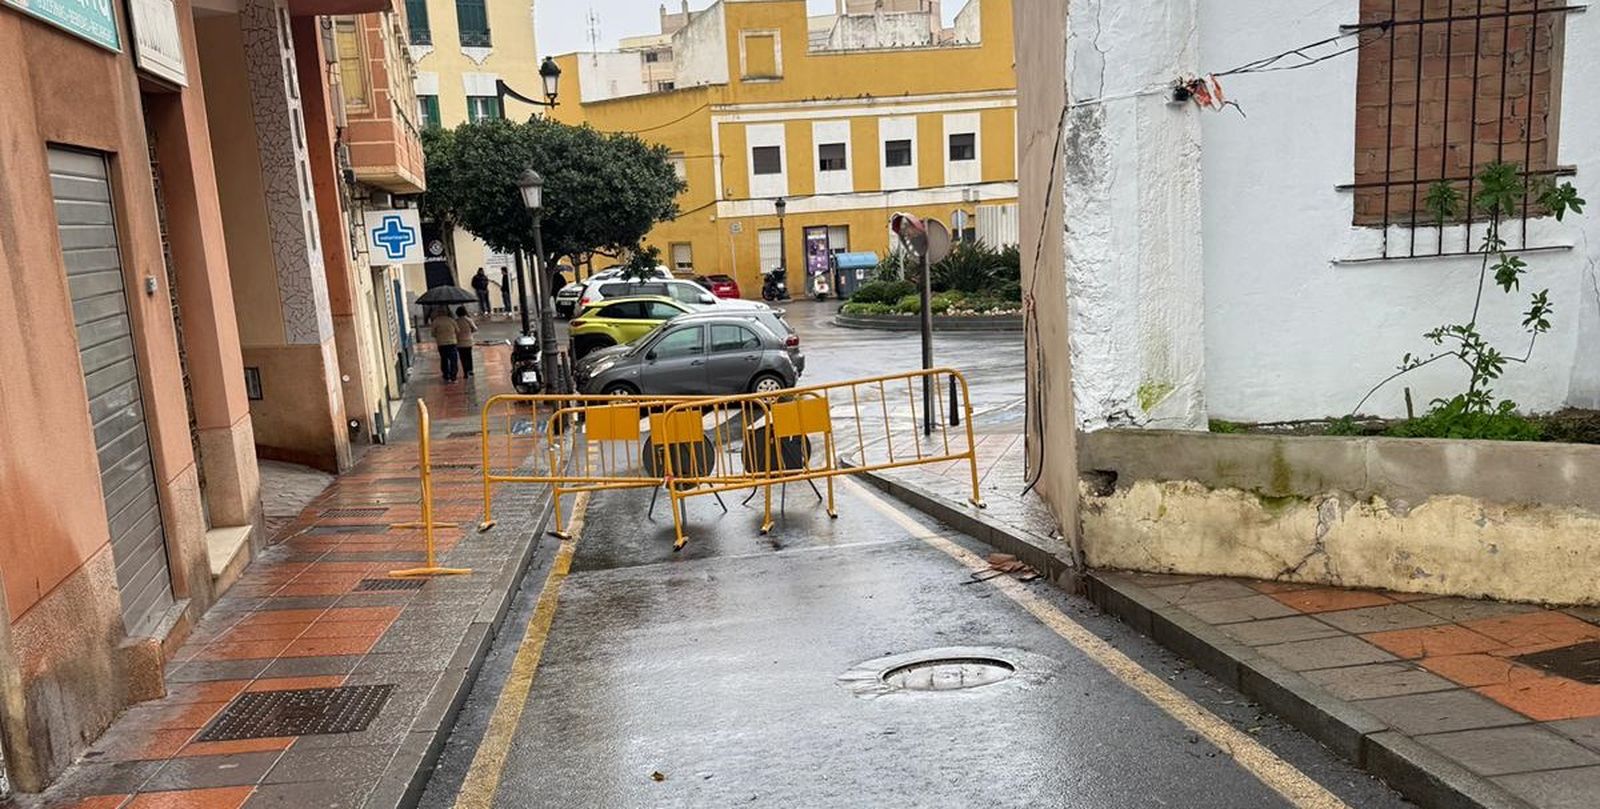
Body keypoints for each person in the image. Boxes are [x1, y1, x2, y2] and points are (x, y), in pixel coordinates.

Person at [430, 305, 458, 381]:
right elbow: (457, 330)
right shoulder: (451, 320)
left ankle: (446, 376)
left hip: (441, 343)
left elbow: (432, 333)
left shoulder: (435, 321)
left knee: (444, 359)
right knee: (453, 360)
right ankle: (453, 376)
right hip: (452, 342)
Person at [453, 306, 479, 378]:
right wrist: (470, 331)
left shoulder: (456, 321)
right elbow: (475, 329)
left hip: (459, 342)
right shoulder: (468, 320)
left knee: (462, 357)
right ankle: (470, 370)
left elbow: (455, 331)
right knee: (469, 356)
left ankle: (465, 371)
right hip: (468, 341)